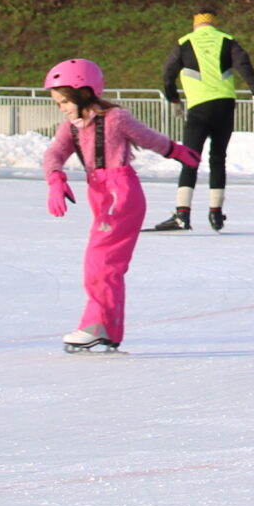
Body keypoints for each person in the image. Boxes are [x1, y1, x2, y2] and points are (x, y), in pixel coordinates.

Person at [41, 58, 201, 353]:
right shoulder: (72, 127)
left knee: (102, 264)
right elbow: (53, 154)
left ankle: (98, 324)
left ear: (84, 93)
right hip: (100, 195)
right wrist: (55, 179)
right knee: (100, 264)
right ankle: (107, 326)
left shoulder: (114, 119)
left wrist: (175, 150)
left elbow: (147, 137)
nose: (61, 107)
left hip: (121, 194)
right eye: (58, 102)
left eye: (64, 101)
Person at [155, 10, 254, 232]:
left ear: (195, 24)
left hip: (199, 107)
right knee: (218, 157)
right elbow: (244, 64)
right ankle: (216, 213)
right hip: (225, 105)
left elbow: (168, 74)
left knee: (190, 158)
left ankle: (182, 215)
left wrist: (174, 99)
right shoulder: (226, 40)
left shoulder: (184, 43)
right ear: (214, 24)